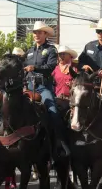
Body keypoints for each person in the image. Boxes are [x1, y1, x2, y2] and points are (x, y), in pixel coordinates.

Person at [23, 21, 69, 159]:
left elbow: (50, 67)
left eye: (39, 32)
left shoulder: (50, 50)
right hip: (28, 87)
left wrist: (34, 68)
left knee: (53, 111)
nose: (36, 34)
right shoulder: (29, 51)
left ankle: (60, 143)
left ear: (45, 34)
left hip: (43, 88)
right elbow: (23, 68)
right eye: (35, 32)